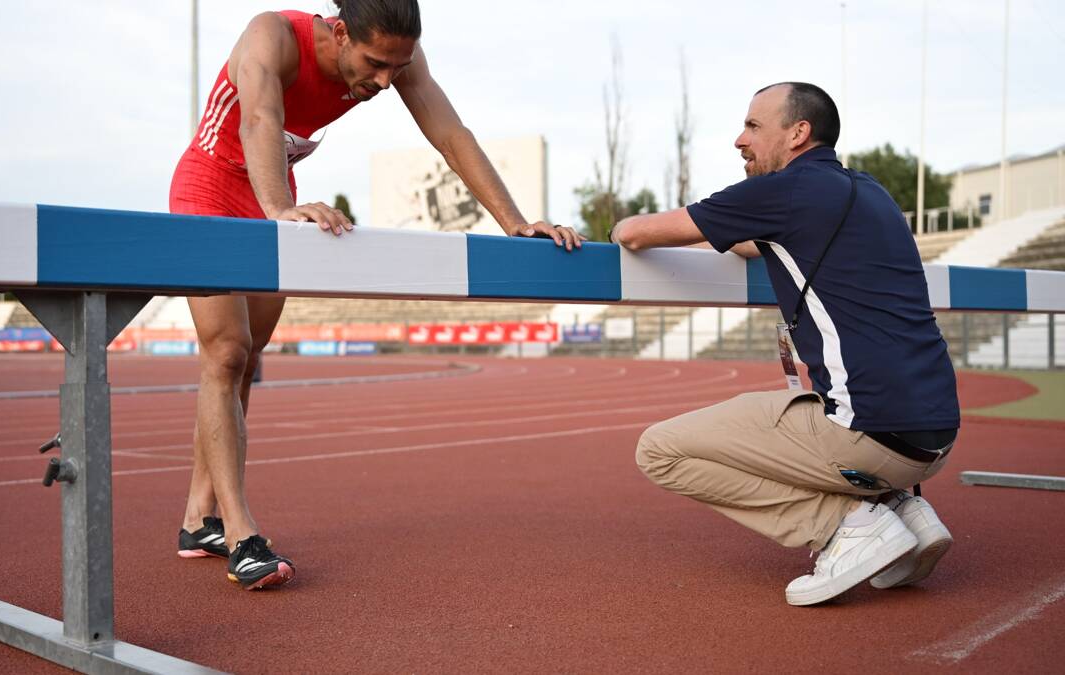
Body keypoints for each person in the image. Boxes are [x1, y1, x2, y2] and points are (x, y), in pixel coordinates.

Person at [169, 0, 582, 590]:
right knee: (226, 352)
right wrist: (279, 211)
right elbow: (259, 119)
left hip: (272, 190)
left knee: (242, 361)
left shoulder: (395, 57)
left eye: (397, 66)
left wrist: (515, 223)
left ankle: (197, 516)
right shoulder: (272, 36)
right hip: (212, 188)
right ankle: (239, 534)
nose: (385, 81)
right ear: (339, 31)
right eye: (374, 63)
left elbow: (450, 134)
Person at [611, 82, 958, 606]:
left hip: (868, 434)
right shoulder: (871, 194)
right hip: (934, 438)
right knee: (785, 410)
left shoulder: (780, 193)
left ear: (798, 133)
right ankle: (904, 512)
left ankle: (847, 526)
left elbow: (635, 234)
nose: (739, 140)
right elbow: (757, 242)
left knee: (659, 450)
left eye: (753, 126)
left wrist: (614, 226)